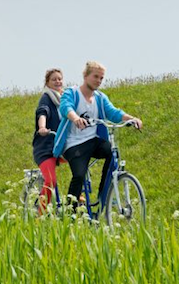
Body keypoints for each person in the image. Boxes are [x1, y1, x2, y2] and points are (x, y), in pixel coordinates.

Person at [53, 61, 143, 204]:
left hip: (93, 141)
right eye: (96, 77)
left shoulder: (100, 98)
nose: (99, 81)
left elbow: (113, 113)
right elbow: (66, 107)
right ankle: (70, 213)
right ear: (86, 75)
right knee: (79, 175)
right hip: (73, 144)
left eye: (101, 78)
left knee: (111, 152)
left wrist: (131, 119)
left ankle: (105, 194)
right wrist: (75, 118)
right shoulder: (72, 93)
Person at [31, 69, 64, 207]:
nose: (57, 81)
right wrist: (42, 128)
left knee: (80, 162)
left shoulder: (64, 99)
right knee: (50, 180)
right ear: (47, 83)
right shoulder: (47, 97)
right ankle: (40, 216)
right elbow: (42, 112)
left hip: (60, 145)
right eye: (54, 79)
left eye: (59, 79)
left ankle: (78, 196)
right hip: (45, 147)